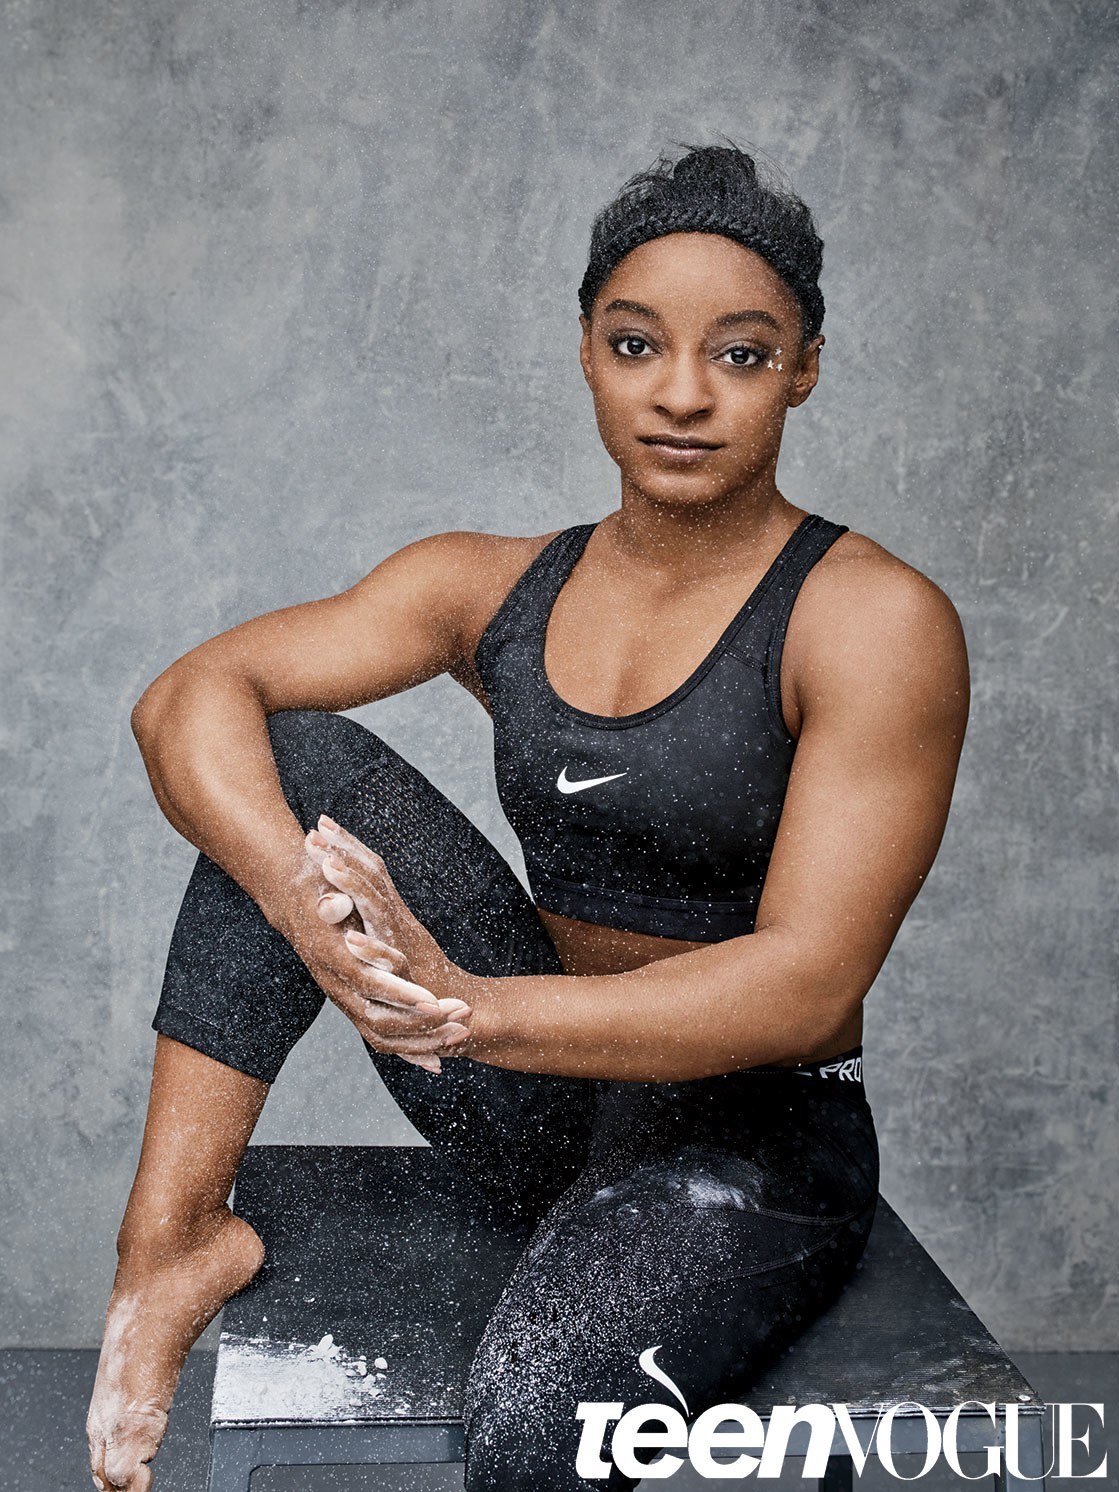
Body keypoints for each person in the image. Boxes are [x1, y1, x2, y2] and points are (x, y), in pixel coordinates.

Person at [86, 143, 970, 1491]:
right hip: (540, 1103)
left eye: (739, 354)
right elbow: (188, 699)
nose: (682, 393)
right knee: (281, 758)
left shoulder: (870, 620)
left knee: (537, 1422)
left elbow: (808, 984)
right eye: (637, 344)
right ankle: (170, 1242)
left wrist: (465, 1010)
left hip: (750, 1137)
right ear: (586, 352)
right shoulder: (486, 585)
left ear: (803, 367)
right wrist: (304, 911)